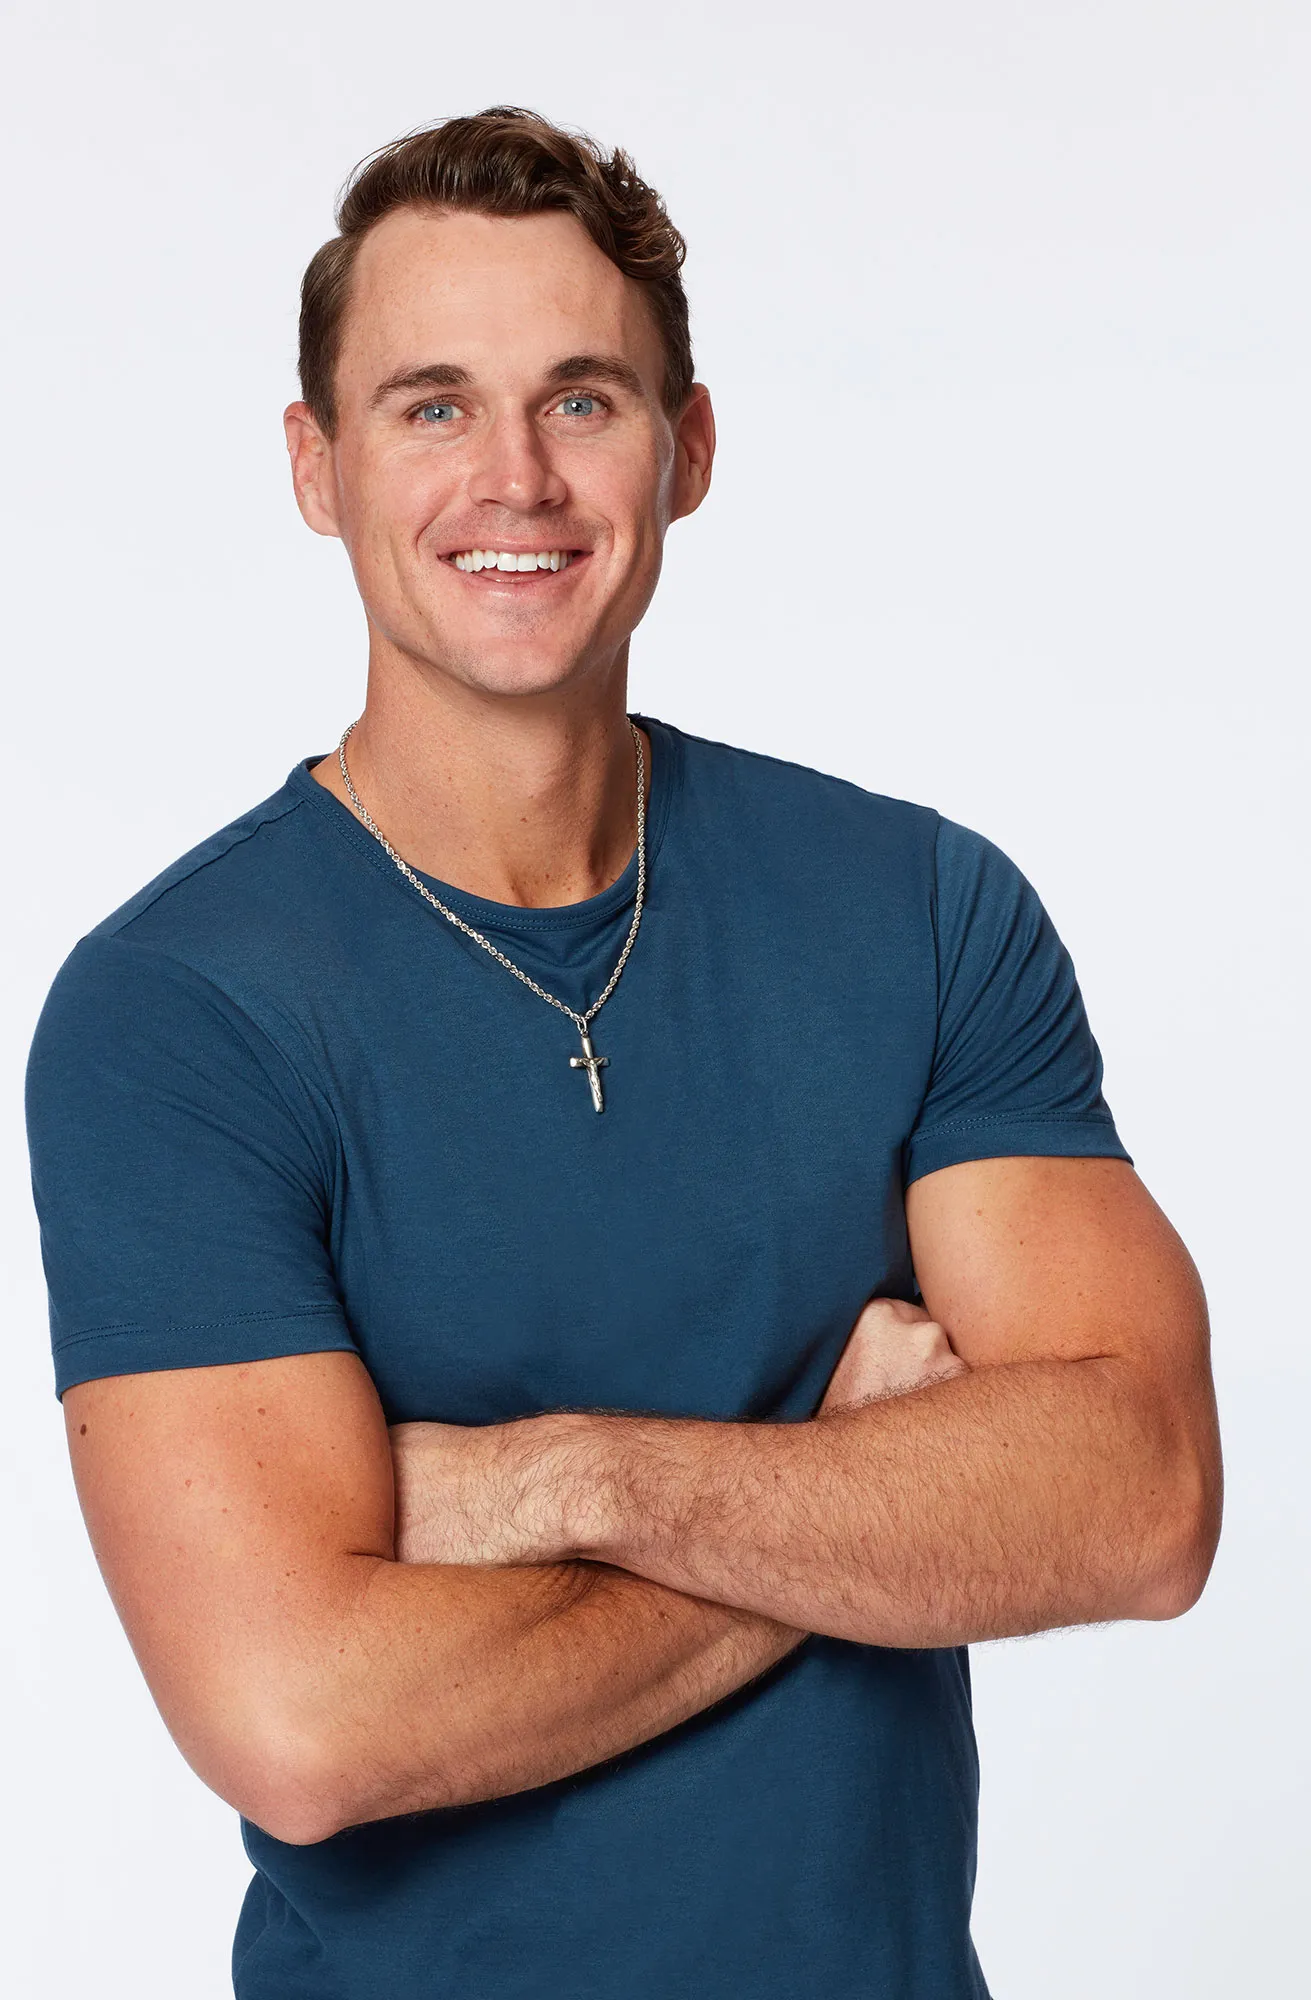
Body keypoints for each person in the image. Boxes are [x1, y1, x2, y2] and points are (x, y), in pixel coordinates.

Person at [24, 106, 1222, 2000]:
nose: (513, 477)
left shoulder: (915, 909)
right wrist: (844, 1485)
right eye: (430, 404)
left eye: (580, 400)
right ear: (317, 466)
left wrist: (561, 1481)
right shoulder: (175, 1015)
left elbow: (1137, 1500)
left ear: (690, 448)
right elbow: (300, 1723)